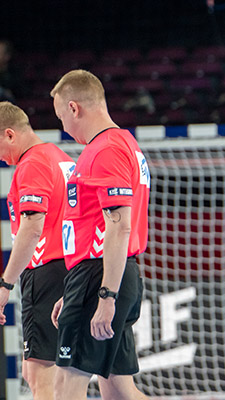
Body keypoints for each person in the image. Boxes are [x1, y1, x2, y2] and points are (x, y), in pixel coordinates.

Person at [48, 70, 151, 400]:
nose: (64, 127)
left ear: (75, 108)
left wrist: (104, 294)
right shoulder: (122, 145)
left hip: (101, 277)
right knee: (120, 391)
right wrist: (77, 288)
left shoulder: (106, 150)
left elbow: (120, 226)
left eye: (62, 117)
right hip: (99, 275)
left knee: (66, 383)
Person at [0, 102, 75, 400]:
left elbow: (32, 227)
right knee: (65, 377)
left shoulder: (32, 163)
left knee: (41, 375)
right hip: (70, 269)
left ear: (9, 134)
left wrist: (5, 284)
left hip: (46, 272)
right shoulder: (59, 156)